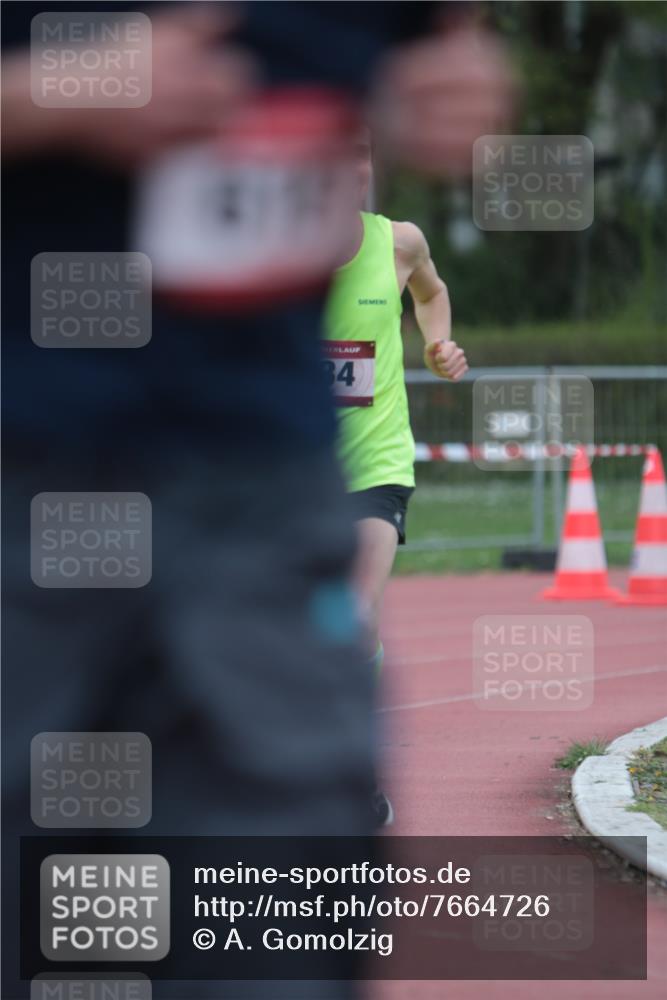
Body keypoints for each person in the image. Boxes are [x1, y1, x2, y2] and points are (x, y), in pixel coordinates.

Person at [324, 134, 468, 823]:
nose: (351, 168)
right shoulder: (268, 254)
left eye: (359, 151)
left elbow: (432, 295)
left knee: (348, 614)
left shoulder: (398, 242)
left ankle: (355, 774)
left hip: (376, 467)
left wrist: (436, 344)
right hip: (292, 475)